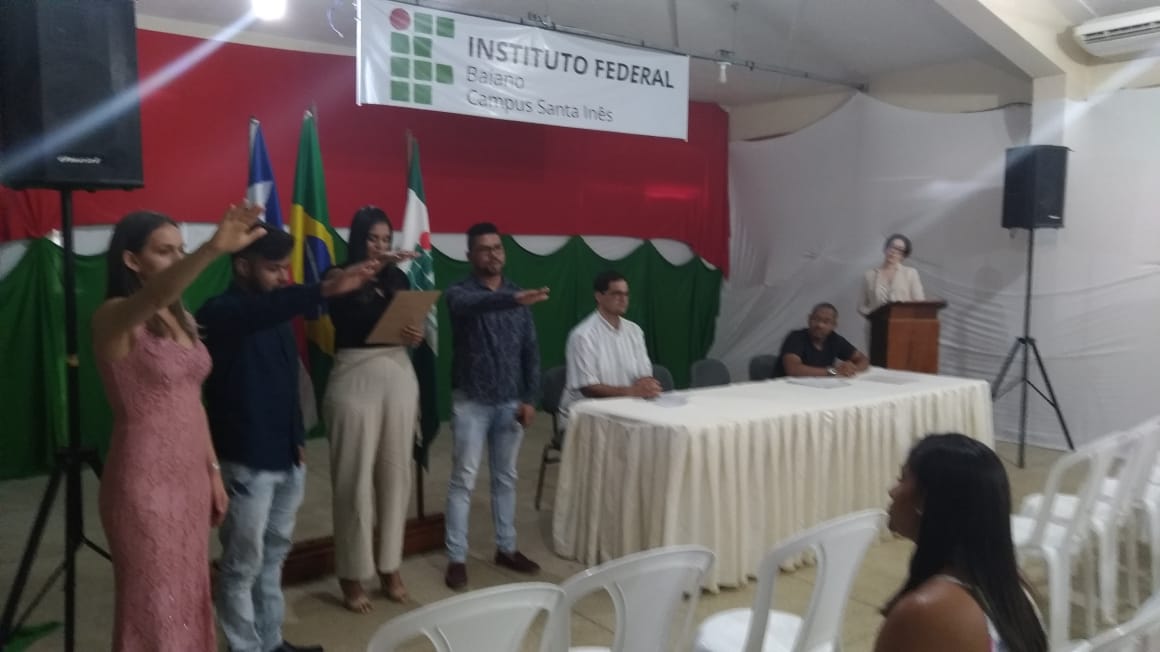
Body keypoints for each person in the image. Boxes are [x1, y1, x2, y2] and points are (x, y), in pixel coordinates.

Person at [93, 203, 264, 651]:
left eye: (180, 250)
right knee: (156, 601)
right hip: (144, 480)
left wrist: (212, 471)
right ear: (132, 260)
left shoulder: (180, 316)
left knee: (190, 592)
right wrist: (211, 250)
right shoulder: (114, 315)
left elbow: (193, 402)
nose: (176, 258)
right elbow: (151, 297)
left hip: (190, 476)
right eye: (164, 251)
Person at [198, 228, 376, 651]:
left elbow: (288, 381)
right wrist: (324, 289)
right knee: (242, 565)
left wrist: (297, 436)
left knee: (274, 554)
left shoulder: (276, 313)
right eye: (274, 268)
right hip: (246, 457)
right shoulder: (221, 312)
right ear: (242, 266)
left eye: (286, 268)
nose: (283, 277)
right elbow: (262, 310)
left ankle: (271, 641)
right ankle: (245, 647)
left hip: (286, 454)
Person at [322, 206, 423, 613]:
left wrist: (414, 332)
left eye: (385, 239)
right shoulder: (337, 274)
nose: (380, 246)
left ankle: (390, 566)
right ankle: (352, 573)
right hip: (354, 376)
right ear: (358, 239)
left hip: (398, 372)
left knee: (396, 475)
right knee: (354, 480)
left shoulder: (397, 278)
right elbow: (342, 306)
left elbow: (406, 322)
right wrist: (371, 267)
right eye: (372, 239)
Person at [443, 222, 546, 590]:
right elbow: (474, 304)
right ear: (470, 255)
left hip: (509, 402)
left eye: (497, 247)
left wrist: (530, 397)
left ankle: (507, 548)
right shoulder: (459, 294)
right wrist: (512, 300)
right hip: (471, 402)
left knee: (505, 479)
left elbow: (530, 351)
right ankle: (456, 557)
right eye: (484, 249)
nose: (493, 254)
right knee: (463, 480)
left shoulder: (519, 295)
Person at [875, 433, 1047, 652]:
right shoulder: (1011, 585)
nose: (892, 491)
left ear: (924, 502)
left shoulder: (928, 611)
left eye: (902, 478)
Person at [559, 270, 660, 429]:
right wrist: (633, 392)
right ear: (599, 297)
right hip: (586, 417)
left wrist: (647, 383)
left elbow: (644, 374)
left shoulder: (634, 331)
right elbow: (589, 388)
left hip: (626, 410)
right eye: (616, 294)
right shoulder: (583, 335)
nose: (623, 299)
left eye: (626, 294)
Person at [774, 302, 869, 377]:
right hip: (785, 389)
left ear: (834, 325)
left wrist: (851, 369)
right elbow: (793, 369)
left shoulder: (835, 340)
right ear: (809, 319)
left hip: (817, 389)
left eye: (826, 321)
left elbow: (863, 359)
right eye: (816, 319)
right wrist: (834, 371)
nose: (820, 325)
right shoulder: (796, 337)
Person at [858, 233, 924, 316]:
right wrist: (874, 314)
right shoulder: (869, 275)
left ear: (903, 256)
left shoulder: (910, 273)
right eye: (892, 247)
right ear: (885, 249)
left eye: (899, 250)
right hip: (876, 322)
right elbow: (861, 306)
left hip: (903, 321)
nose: (894, 251)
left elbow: (919, 303)